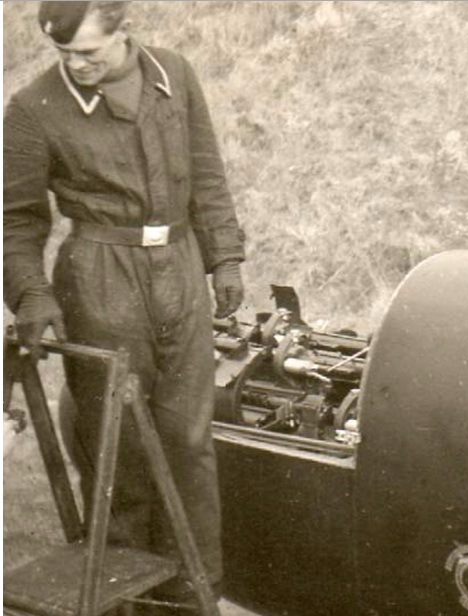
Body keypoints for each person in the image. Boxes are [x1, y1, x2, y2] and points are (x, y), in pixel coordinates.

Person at [3, 1, 245, 610]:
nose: (75, 65)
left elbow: (207, 174)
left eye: (88, 52)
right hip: (100, 282)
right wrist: (31, 291)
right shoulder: (33, 108)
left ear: (124, 30)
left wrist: (225, 256)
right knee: (118, 454)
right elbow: (16, 220)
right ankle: (124, 603)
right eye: (64, 54)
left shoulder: (173, 74)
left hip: (181, 271)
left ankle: (194, 597)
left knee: (190, 442)